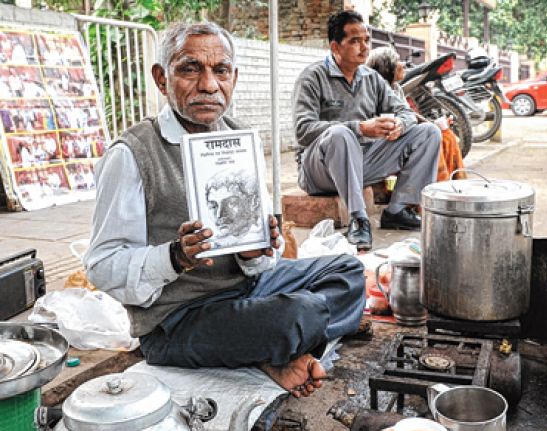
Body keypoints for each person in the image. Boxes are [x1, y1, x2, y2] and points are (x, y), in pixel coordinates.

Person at [84, 22, 365, 397]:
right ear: (162, 79)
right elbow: (101, 265)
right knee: (301, 314)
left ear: (234, 76)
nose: (209, 85)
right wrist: (174, 257)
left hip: (247, 291)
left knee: (348, 271)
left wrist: (257, 251)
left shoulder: (237, 138)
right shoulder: (132, 154)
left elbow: (264, 255)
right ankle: (276, 345)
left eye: (221, 70)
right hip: (179, 318)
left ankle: (269, 349)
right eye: (189, 68)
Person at [293, 10, 441, 251]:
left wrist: (399, 125)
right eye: (354, 41)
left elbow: (405, 112)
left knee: (429, 133)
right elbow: (303, 130)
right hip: (318, 171)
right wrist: (360, 128)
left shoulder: (372, 78)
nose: (363, 47)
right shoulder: (312, 78)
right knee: (342, 134)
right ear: (335, 47)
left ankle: (399, 209)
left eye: (366, 40)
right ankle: (358, 218)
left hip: (361, 164)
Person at [366, 46, 466, 182]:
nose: (402, 64)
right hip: (388, 142)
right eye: (397, 61)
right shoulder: (377, 92)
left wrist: (433, 124)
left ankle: (452, 186)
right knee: (433, 138)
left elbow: (409, 114)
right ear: (387, 68)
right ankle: (435, 187)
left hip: (404, 132)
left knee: (447, 136)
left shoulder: (396, 88)